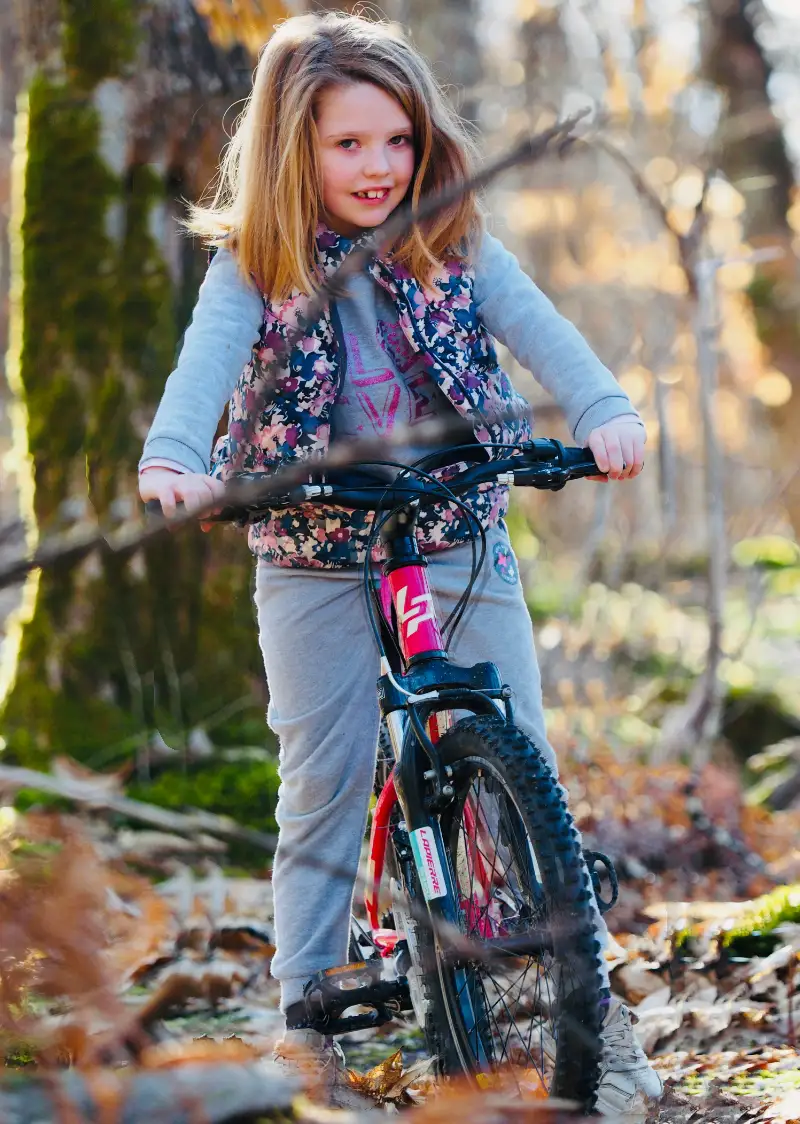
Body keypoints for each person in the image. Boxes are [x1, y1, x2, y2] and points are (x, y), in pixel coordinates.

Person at [139, 11, 662, 1117]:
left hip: (454, 528)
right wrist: (176, 456)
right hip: (313, 548)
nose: (378, 167)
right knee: (321, 781)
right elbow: (201, 373)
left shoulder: (453, 238)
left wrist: (604, 406)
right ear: (294, 149)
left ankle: (600, 1029)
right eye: (347, 145)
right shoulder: (256, 267)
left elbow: (543, 329)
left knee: (527, 771)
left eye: (397, 141)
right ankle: (302, 1027)